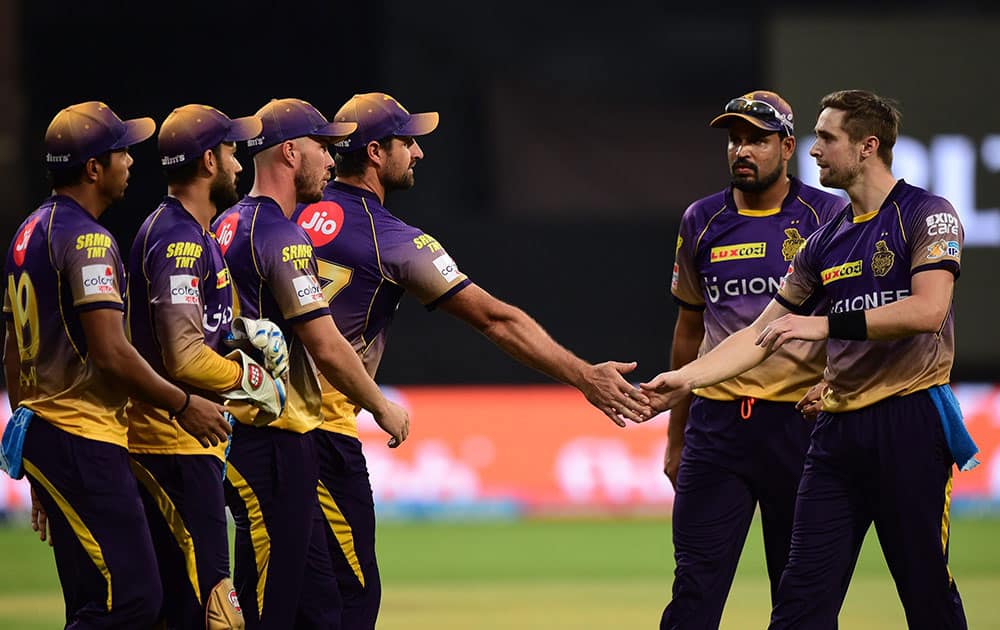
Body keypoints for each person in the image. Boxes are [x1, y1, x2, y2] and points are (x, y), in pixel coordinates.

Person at [292, 91, 653, 629]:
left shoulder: (284, 218)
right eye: (407, 141)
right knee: (348, 604)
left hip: (257, 427)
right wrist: (583, 375)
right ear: (373, 152)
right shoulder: (392, 239)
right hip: (321, 434)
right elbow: (495, 320)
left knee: (280, 596)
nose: (418, 153)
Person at [642, 89, 970, 629]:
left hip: (909, 423)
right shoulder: (824, 241)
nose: (813, 150)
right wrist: (682, 380)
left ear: (867, 147)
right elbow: (759, 334)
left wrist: (820, 324)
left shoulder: (927, 213)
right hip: (835, 435)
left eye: (826, 137)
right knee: (800, 605)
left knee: (925, 591)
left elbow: (927, 311)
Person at [0, 101, 231, 627]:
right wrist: (184, 402)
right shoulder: (89, 240)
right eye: (121, 151)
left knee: (93, 601)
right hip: (82, 437)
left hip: (48, 434)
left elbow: (12, 351)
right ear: (93, 169)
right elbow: (111, 352)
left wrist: (33, 452)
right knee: (130, 601)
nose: (131, 161)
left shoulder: (27, 233)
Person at [212, 97, 411, 630]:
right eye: (323, 147)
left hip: (242, 432)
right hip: (278, 436)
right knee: (285, 604)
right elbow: (324, 343)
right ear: (291, 152)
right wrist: (381, 406)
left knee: (313, 605)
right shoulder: (281, 234)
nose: (331, 158)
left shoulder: (225, 226)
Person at [658, 90, 844, 629]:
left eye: (758, 139)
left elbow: (852, 318)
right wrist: (676, 437)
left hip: (800, 426)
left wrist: (834, 386)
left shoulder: (827, 215)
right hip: (716, 430)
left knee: (802, 596)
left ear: (787, 147)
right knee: (694, 589)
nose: (743, 149)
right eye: (735, 139)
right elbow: (689, 327)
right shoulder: (701, 220)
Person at [125, 104, 288, 629]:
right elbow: (182, 354)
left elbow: (198, 334)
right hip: (171, 448)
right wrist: (249, 379)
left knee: (184, 609)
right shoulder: (178, 239)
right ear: (208, 162)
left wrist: (239, 338)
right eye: (232, 153)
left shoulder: (193, 233)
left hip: (186, 447)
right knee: (213, 613)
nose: (239, 166)